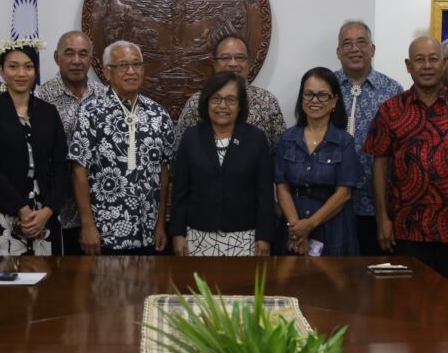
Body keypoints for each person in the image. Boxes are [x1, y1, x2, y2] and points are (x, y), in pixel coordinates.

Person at [366, 36, 448, 293]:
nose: (427, 65)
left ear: (442, 64)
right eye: (419, 60)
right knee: (407, 305)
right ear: (409, 66)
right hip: (406, 228)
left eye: (433, 59)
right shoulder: (390, 110)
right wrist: (382, 219)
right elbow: (379, 166)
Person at [68, 41, 175, 255]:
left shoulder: (158, 114)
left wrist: (161, 223)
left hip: (149, 233)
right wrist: (88, 226)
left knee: (150, 289)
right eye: (123, 65)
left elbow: (164, 172)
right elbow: (79, 170)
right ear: (107, 72)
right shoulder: (90, 112)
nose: (131, 71)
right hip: (105, 233)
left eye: (137, 64)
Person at [0, 38, 69, 256]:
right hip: (4, 210)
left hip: (44, 213)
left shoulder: (48, 112)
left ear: (36, 71)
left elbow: (61, 167)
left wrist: (47, 211)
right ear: (1, 71)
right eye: (13, 66)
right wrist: (22, 209)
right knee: (3, 284)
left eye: (28, 67)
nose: (21, 73)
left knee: (47, 284)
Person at [170, 72, 275, 256]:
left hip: (244, 237)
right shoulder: (191, 137)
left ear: (240, 105)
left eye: (231, 100)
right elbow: (180, 192)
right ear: (206, 102)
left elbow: (264, 193)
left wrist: (264, 236)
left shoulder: (256, 138)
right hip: (197, 236)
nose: (223, 106)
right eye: (216, 99)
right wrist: (177, 233)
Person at [333, 19, 402, 255]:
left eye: (361, 42)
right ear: (338, 52)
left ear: (372, 49)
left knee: (377, 277)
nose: (355, 49)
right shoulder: (326, 86)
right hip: (331, 204)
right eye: (347, 44)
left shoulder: (392, 90)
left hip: (378, 205)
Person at [275, 66, 360, 256]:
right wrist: (297, 229)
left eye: (322, 95)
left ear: (334, 101)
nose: (314, 100)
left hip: (333, 227)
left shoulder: (344, 142)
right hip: (293, 226)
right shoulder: (287, 139)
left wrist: (309, 225)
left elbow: (344, 193)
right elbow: (282, 187)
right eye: (308, 94)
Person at [36, 30, 107, 254]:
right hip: (55, 212)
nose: (76, 61)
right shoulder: (40, 98)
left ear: (91, 58)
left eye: (83, 54)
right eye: (69, 53)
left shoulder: (106, 97)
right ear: (57, 58)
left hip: (100, 213)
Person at [176, 34, 285, 149]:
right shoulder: (196, 102)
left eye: (240, 57)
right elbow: (181, 149)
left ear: (249, 63)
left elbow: (281, 152)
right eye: (225, 58)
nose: (233, 64)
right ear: (214, 63)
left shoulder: (268, 102)